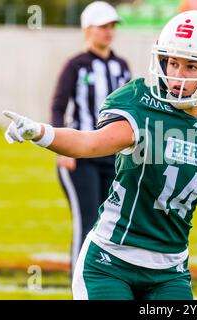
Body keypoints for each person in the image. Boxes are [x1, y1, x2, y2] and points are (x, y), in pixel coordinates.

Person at [2, 10, 197, 300]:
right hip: (109, 263)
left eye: (191, 67)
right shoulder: (143, 106)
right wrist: (42, 133)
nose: (176, 77)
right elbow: (89, 144)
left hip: (170, 272)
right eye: (172, 63)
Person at [50, 1, 131, 274]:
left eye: (112, 27)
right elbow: (59, 106)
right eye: (103, 26)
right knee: (85, 222)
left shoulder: (121, 66)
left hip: (113, 157)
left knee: (107, 225)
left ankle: (104, 281)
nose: (109, 32)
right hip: (81, 156)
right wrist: (62, 150)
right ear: (88, 29)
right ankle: (79, 284)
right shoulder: (76, 65)